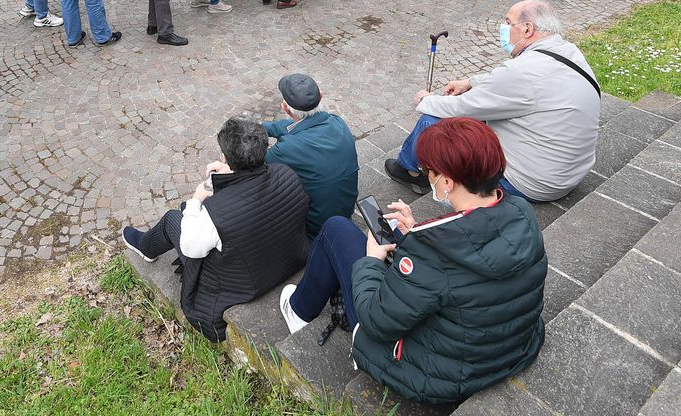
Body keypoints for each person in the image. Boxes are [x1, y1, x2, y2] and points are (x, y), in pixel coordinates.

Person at [284, 118, 546, 406]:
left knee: (337, 228)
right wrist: (415, 235)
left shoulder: (432, 252)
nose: (427, 177)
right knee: (382, 238)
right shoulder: (521, 211)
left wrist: (372, 261)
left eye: (428, 172)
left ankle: (298, 311)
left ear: (447, 181)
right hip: (508, 348)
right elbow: (468, 257)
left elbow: (376, 321)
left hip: (436, 374)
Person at [386, 0, 599, 202]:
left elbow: (461, 108)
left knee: (433, 121)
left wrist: (425, 99)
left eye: (508, 22)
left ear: (527, 29)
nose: (503, 27)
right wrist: (471, 82)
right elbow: (516, 85)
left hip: (529, 183)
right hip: (569, 174)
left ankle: (411, 170)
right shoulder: (569, 52)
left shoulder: (523, 71)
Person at [121, 117, 310, 342]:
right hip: (287, 262)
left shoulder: (213, 214)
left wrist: (196, 200)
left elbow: (190, 248)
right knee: (191, 216)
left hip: (237, 285)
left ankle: (144, 246)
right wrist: (230, 173)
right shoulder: (287, 174)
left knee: (175, 217)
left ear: (227, 158)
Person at [262, 73, 357, 239]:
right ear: (321, 97)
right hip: (345, 212)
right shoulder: (337, 122)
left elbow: (256, 168)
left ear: (285, 108)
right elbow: (296, 126)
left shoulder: (285, 149)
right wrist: (265, 127)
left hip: (315, 228)